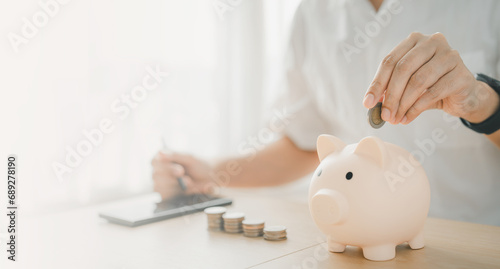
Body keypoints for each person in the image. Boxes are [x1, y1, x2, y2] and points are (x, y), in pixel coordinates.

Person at [152, 0, 500, 225]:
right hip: (356, 243)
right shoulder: (313, 12)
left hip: (473, 245)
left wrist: (482, 102)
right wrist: (213, 173)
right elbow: (304, 143)